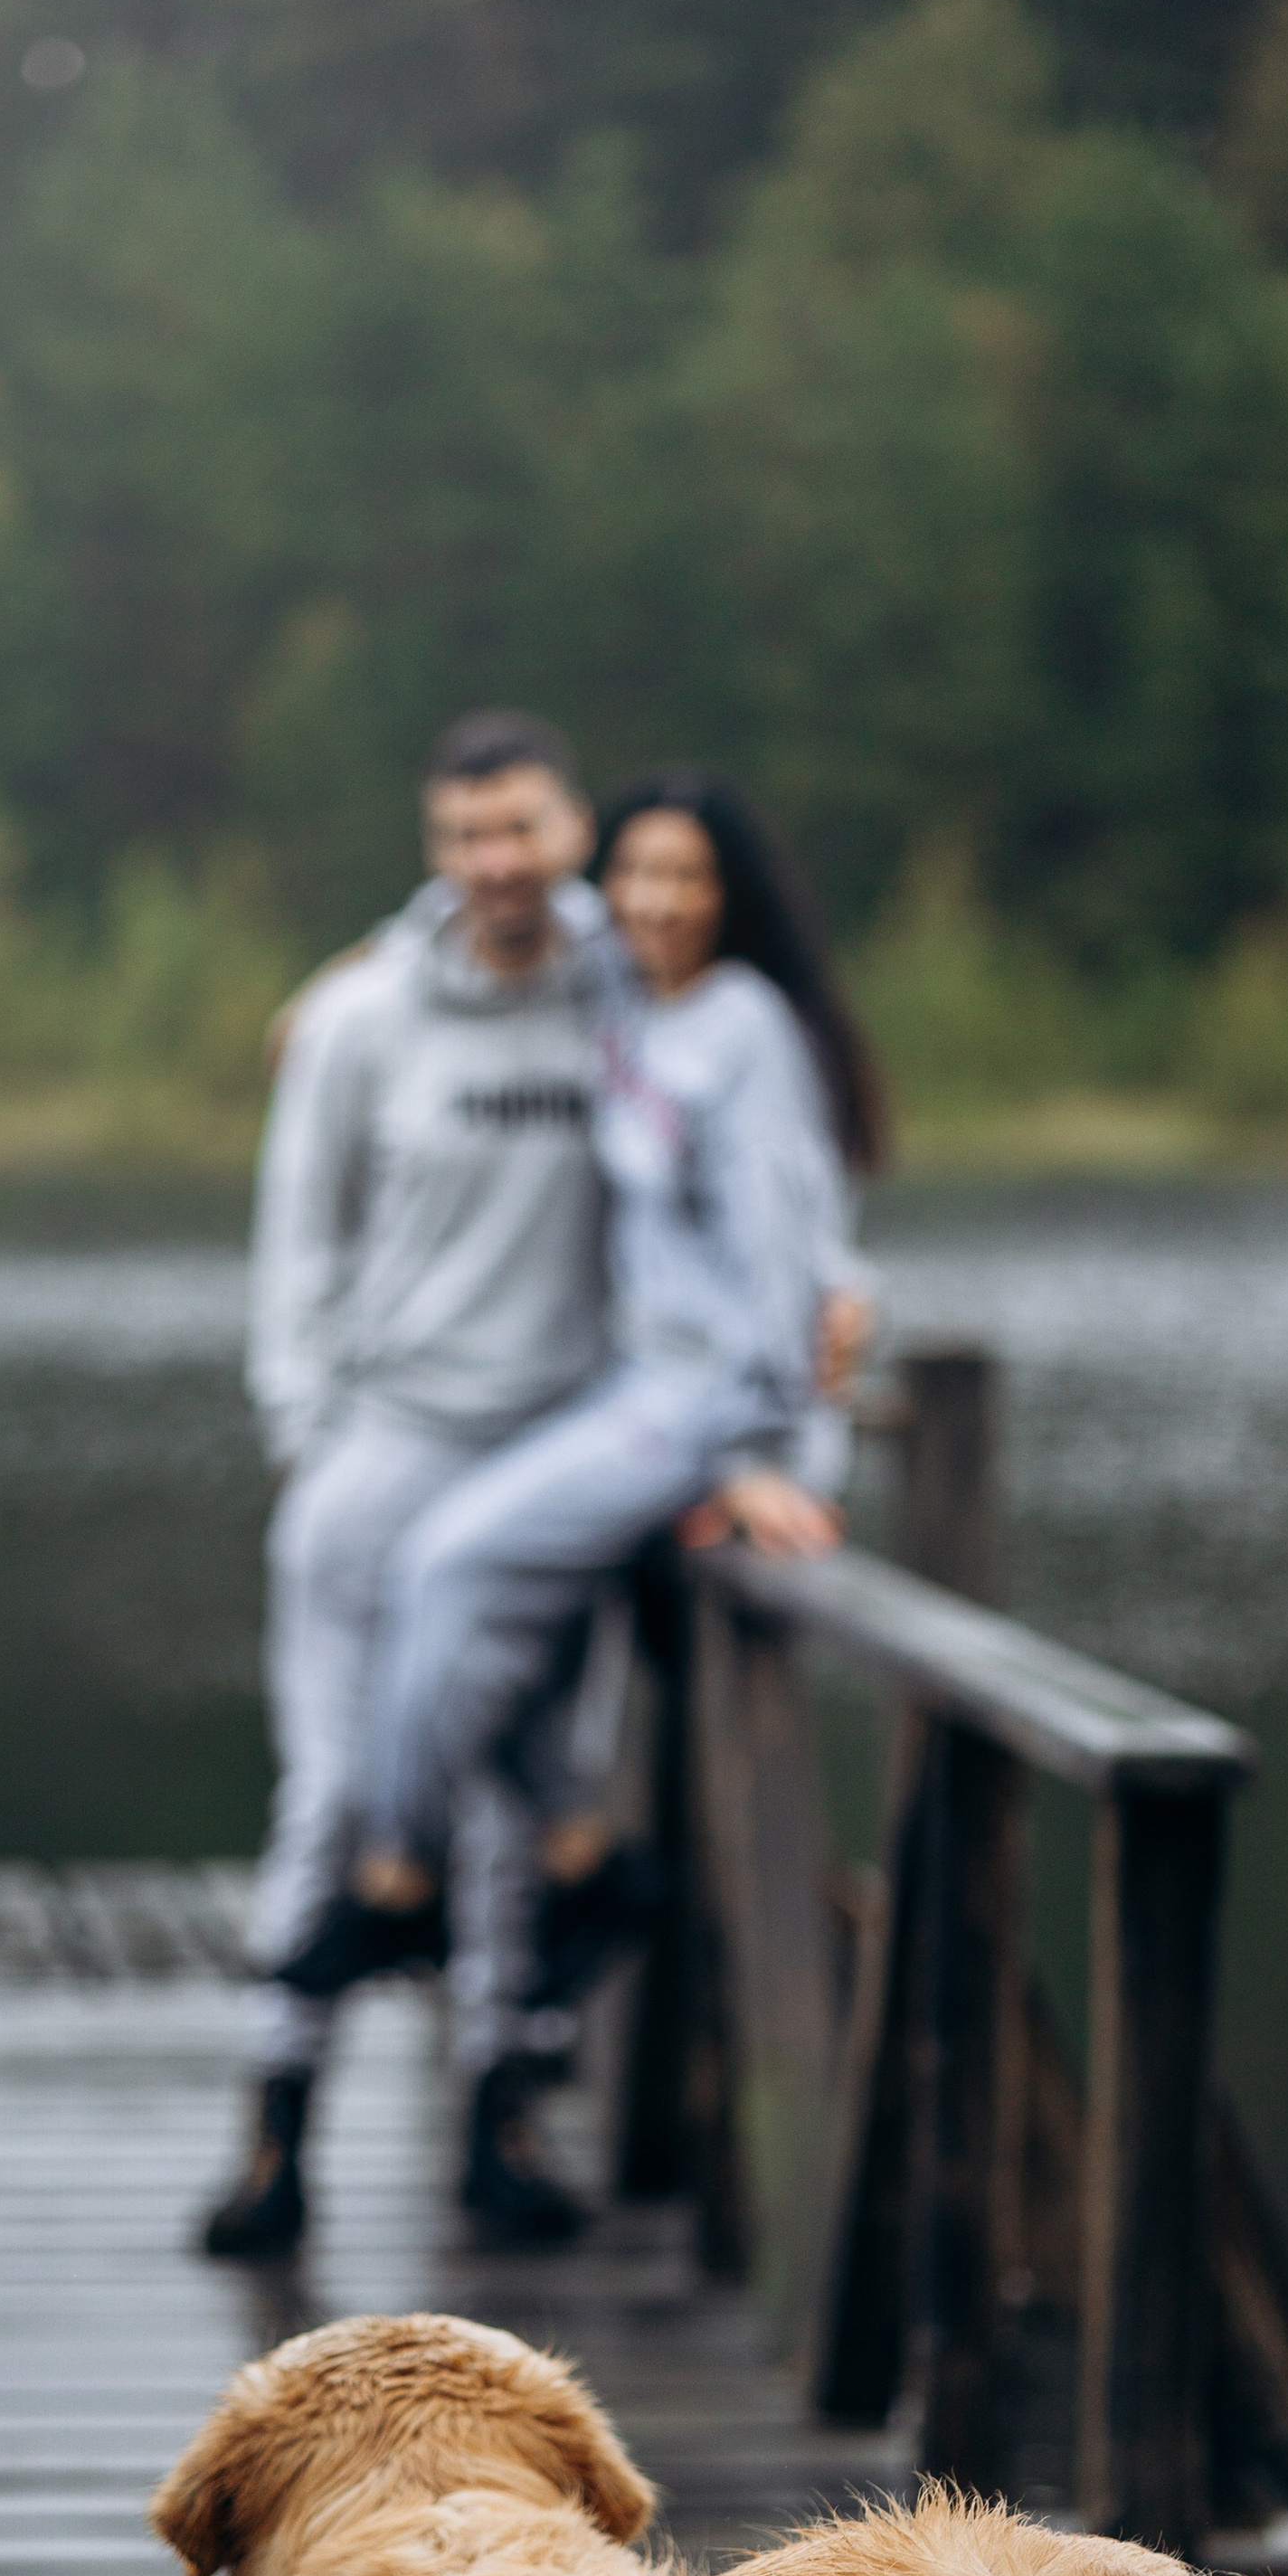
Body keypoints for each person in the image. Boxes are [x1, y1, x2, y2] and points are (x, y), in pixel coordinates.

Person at [280, 772, 881, 2072]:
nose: (657, 901)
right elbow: (476, 908)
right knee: (472, 1604)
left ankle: (399, 1882)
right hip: (632, 1388)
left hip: (701, 1408)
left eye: (689, 879)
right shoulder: (624, 987)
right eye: (638, 875)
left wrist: (768, 1455)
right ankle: (571, 1860)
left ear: (736, 899)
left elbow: (792, 1253)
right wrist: (344, 988)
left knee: (450, 1564)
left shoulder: (742, 1029)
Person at [198, 708, 620, 2265]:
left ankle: (499, 2129)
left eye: (521, 829)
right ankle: (272, 2134)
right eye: (464, 838)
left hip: (560, 1469)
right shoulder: (367, 1019)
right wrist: (305, 1427)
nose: (496, 862)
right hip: (390, 1450)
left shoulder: (623, 997)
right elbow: (294, 1238)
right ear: (432, 853)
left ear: (571, 829)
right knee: (337, 1795)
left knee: (516, 1804)